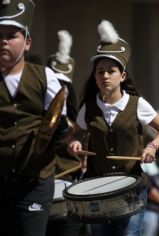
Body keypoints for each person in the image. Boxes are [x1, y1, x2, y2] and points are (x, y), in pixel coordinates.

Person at [67, 19, 159, 236]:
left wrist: (152, 147)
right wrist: (75, 143)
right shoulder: (87, 108)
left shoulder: (137, 104)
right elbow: (75, 135)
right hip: (96, 189)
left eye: (111, 70)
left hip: (131, 188)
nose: (105, 75)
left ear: (122, 76)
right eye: (99, 71)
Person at [0, 1, 69, 236]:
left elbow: (59, 121)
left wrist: (59, 129)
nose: (4, 41)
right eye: (0, 35)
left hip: (35, 181)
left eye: (12, 36)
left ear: (27, 43)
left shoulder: (45, 76)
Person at [46, 30, 82, 236]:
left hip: (68, 196)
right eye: (55, 85)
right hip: (39, 194)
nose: (60, 90)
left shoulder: (79, 123)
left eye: (64, 86)